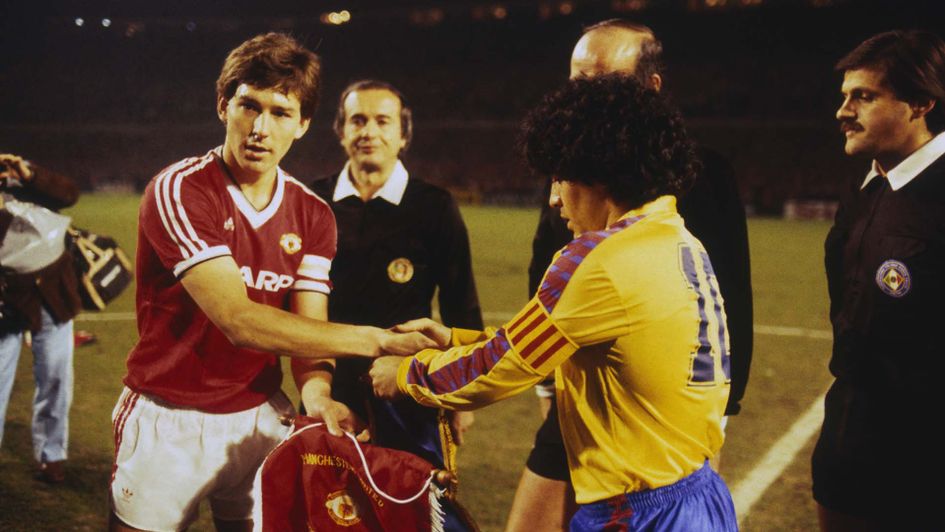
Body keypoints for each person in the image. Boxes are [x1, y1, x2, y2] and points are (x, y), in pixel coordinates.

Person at [369, 74, 737, 532]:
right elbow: (562, 345)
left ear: (598, 170)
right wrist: (453, 340)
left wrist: (404, 375)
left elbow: (500, 370)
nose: (553, 198)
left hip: (638, 513)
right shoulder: (681, 240)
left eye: (560, 177)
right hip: (702, 497)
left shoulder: (598, 259)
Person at [108, 34, 432, 532]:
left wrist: (319, 395)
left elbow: (308, 329)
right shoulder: (180, 189)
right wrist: (378, 339)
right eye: (248, 106)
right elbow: (239, 321)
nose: (260, 128)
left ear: (302, 125)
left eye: (280, 113)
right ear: (223, 106)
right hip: (169, 419)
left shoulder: (314, 214)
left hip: (258, 417)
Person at [518, 19, 754, 530]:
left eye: (603, 81)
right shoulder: (569, 162)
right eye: (578, 81)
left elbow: (730, 298)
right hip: (574, 383)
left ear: (650, 88)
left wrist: (717, 422)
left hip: (657, 422)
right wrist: (544, 390)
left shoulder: (702, 172)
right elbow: (543, 267)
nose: (585, 95)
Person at [309, 80, 483, 531]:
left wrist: (462, 399)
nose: (369, 131)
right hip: (332, 383)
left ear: (403, 134)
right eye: (358, 120)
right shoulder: (313, 202)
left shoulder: (433, 206)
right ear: (341, 131)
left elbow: (462, 302)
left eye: (382, 121)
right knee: (338, 509)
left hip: (409, 389)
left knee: (410, 509)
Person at [812, 29, 945, 531]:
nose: (843, 111)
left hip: (922, 470)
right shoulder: (866, 189)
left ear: (921, 102)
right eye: (845, 96)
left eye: (863, 97)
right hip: (848, 448)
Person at [0, 154, 81, 484]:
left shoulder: (26, 184)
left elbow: (69, 194)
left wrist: (28, 172)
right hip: (8, 299)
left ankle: (51, 455)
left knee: (56, 377)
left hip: (52, 294)